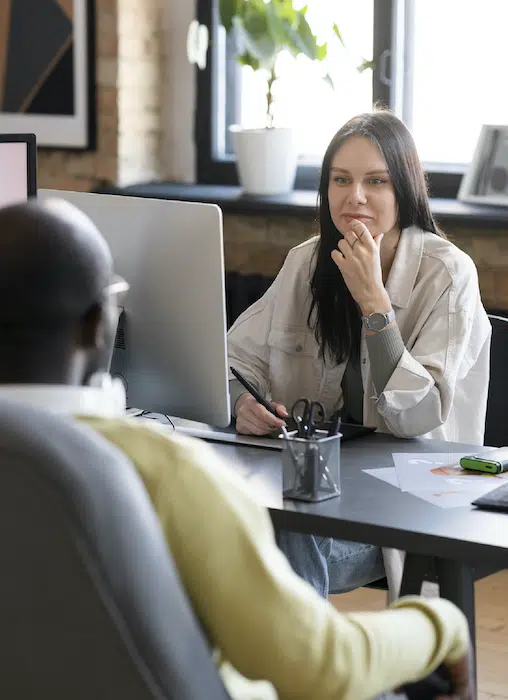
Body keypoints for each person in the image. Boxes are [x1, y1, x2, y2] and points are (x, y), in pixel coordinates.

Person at [0, 197, 473, 700]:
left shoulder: (444, 272)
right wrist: (442, 622)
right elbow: (319, 665)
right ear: (100, 322)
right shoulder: (164, 471)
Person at [227, 109, 492, 600]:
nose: (356, 197)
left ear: (405, 190)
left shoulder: (449, 273)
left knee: (285, 533)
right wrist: (243, 403)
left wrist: (374, 302)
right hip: (320, 484)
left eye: (377, 181)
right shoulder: (306, 262)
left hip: (408, 502)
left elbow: (419, 415)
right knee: (227, 523)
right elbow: (234, 361)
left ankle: (305, 670)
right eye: (340, 180)